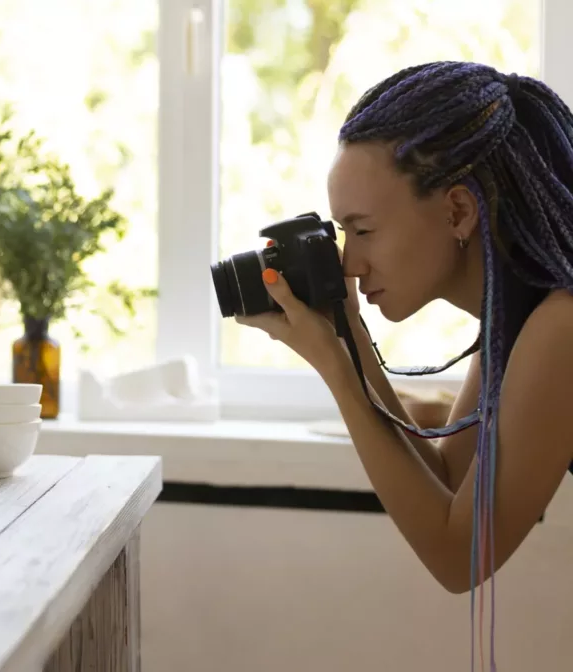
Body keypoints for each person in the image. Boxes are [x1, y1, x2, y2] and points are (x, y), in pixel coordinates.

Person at [235, 60, 573, 639]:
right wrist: (347, 337)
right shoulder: (515, 322)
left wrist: (337, 370)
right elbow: (448, 480)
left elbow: (459, 554)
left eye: (362, 230)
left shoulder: (561, 323)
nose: (349, 263)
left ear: (458, 211)